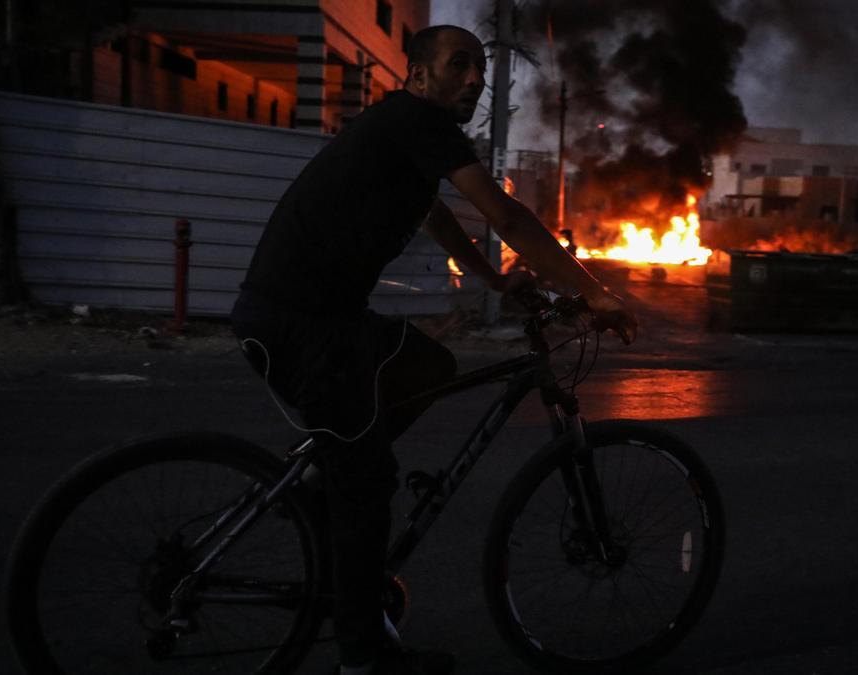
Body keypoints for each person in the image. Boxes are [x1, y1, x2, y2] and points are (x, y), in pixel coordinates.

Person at [230, 24, 637, 675]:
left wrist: (496, 280)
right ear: (418, 75)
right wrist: (596, 292)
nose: (475, 79)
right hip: (303, 325)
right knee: (368, 483)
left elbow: (437, 217)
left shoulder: (407, 134)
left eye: (479, 68)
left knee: (428, 364)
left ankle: (320, 473)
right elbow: (506, 216)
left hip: (318, 318)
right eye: (459, 66)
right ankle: (363, 657)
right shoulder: (418, 121)